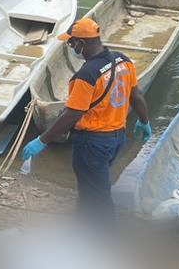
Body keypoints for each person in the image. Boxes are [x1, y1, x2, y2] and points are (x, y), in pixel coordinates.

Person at [21, 18, 151, 221]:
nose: (72, 47)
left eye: (72, 43)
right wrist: (144, 120)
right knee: (90, 186)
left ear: (83, 43)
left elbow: (73, 114)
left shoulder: (86, 76)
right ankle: (83, 225)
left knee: (99, 198)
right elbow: (137, 96)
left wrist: (43, 140)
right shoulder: (123, 61)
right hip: (117, 138)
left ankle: (105, 240)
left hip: (93, 143)